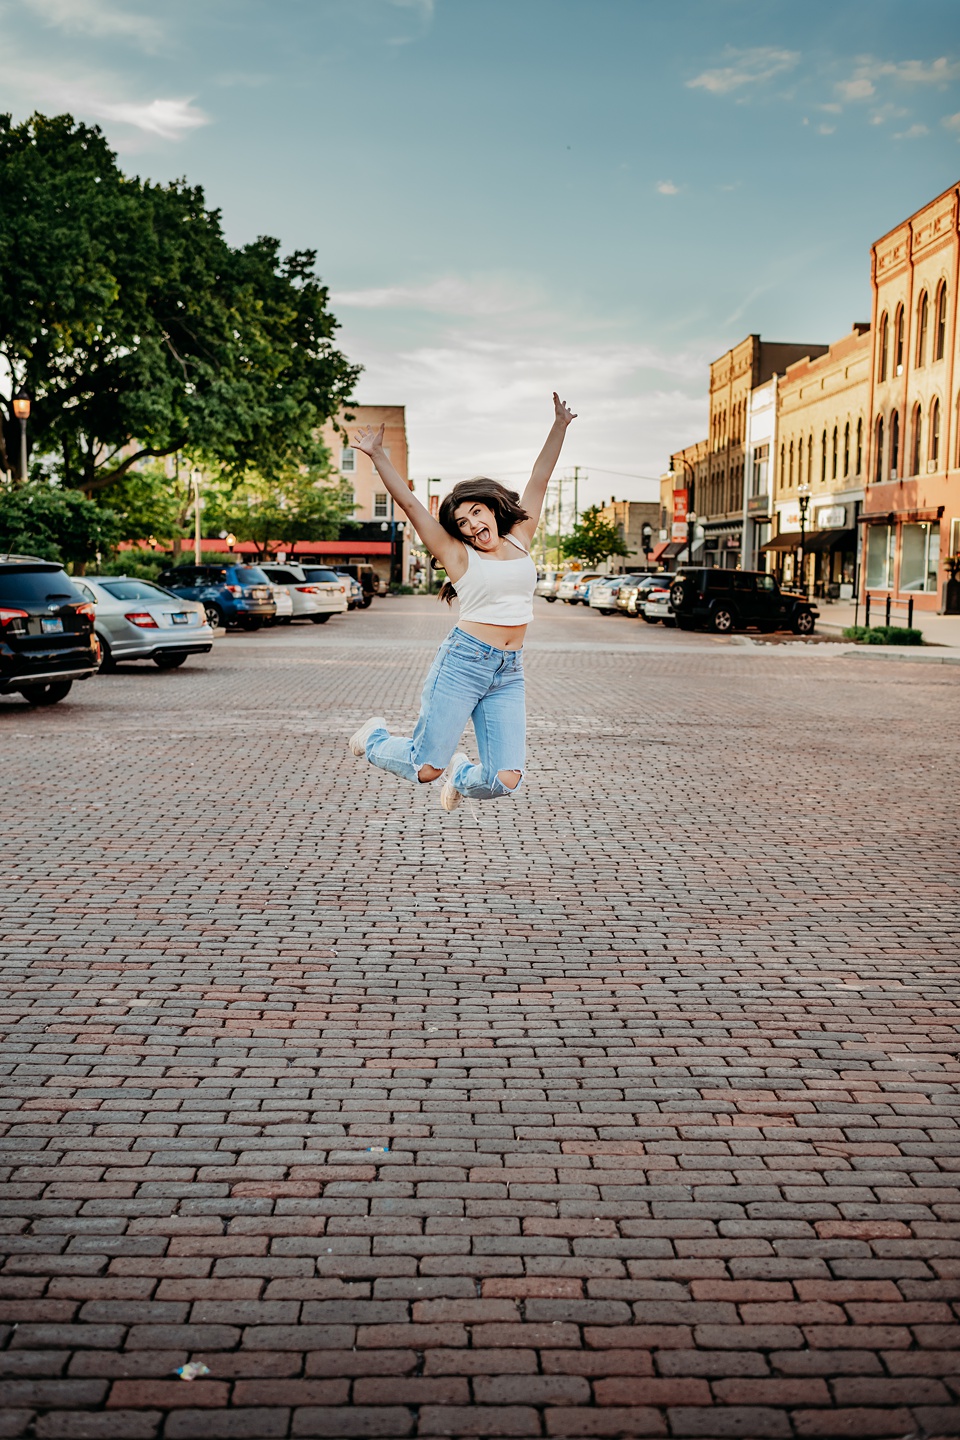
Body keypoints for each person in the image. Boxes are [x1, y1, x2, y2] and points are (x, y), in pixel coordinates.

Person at [348, 392, 577, 811]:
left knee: (504, 780)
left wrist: (559, 426)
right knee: (423, 767)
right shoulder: (457, 556)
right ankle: (374, 738)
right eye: (463, 522)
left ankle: (462, 776)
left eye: (477, 512)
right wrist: (378, 456)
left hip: (509, 670)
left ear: (492, 508)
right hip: (464, 663)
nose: (473, 525)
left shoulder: (520, 537)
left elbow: (539, 478)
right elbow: (411, 505)